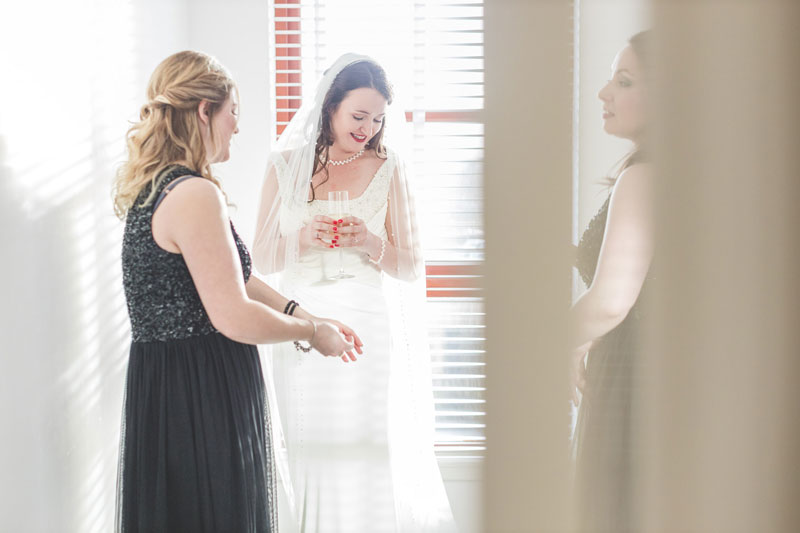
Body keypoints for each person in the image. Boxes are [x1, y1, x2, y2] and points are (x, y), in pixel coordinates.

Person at [112, 50, 362, 532]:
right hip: (199, 391)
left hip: (168, 384)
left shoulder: (159, 186)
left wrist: (302, 311)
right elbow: (233, 315)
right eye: (233, 115)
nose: (237, 129)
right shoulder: (193, 194)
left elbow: (235, 277)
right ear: (204, 110)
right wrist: (311, 333)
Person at [253, 54, 456, 532]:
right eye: (358, 116)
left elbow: (410, 266)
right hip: (300, 321)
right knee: (311, 445)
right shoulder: (283, 166)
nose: (368, 128)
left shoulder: (389, 168)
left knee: (366, 449)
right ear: (330, 108)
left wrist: (368, 241)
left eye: (378, 118)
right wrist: (303, 238)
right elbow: (259, 260)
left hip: (367, 324)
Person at [571, 31, 654, 532]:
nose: (604, 93)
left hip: (633, 380)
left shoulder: (646, 176)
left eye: (623, 82)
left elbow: (611, 301)